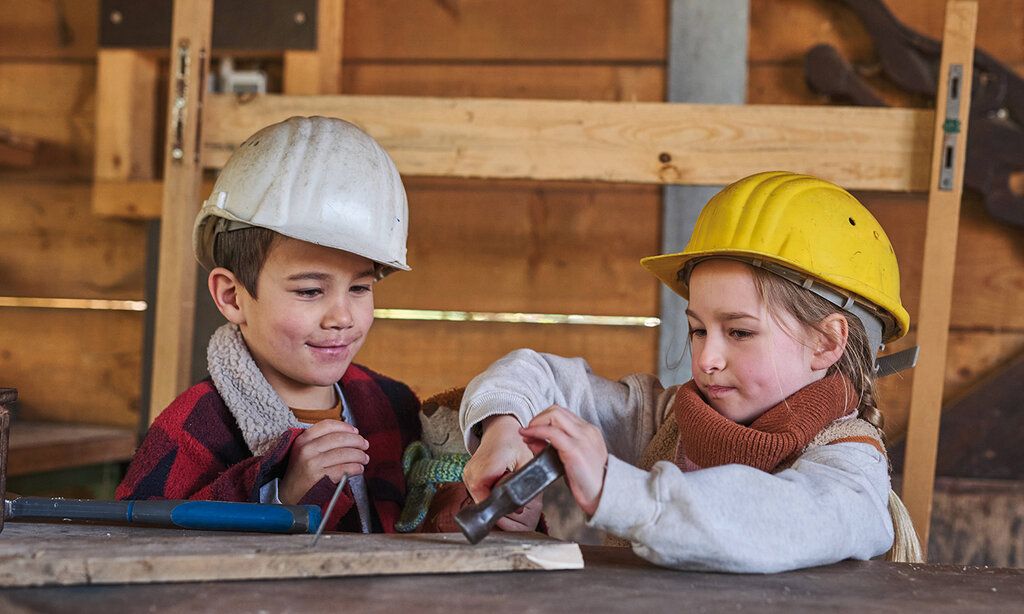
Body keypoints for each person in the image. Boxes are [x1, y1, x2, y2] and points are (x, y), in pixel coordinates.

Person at [459, 171, 923, 572]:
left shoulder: (850, 468)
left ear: (825, 343)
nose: (706, 359)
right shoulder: (666, 420)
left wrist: (614, 490)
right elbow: (535, 375)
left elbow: (775, 521)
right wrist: (505, 428)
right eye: (699, 330)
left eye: (739, 333)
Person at [116, 116, 421, 534]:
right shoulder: (193, 426)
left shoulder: (393, 406)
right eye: (310, 291)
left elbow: (430, 509)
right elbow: (136, 541)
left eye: (360, 288)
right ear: (232, 296)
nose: (342, 317)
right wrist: (281, 495)